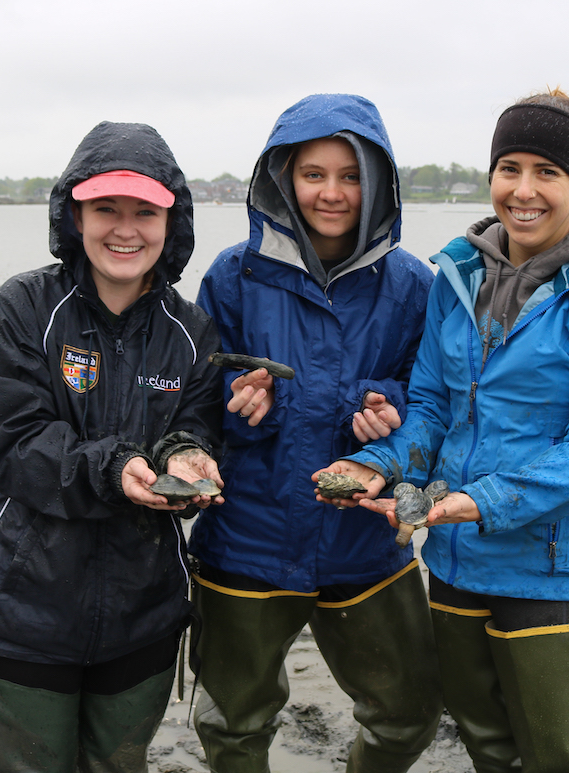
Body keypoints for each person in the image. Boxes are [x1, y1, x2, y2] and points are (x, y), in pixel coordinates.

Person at [323, 88, 569, 773]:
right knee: (487, 743)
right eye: (510, 167)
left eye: (548, 172)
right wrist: (378, 464)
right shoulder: (455, 276)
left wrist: (482, 501)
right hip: (454, 562)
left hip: (551, 570)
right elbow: (429, 408)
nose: (525, 190)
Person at [0, 121, 224, 772]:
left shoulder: (193, 331)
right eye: (106, 209)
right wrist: (117, 466)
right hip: (17, 610)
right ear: (75, 215)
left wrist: (189, 457)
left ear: (171, 221)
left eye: (144, 211)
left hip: (141, 618)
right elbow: (13, 439)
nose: (125, 229)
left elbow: (198, 422)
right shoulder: (22, 310)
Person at [188, 93, 441, 773]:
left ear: (380, 182)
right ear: (282, 178)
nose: (332, 192)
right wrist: (238, 404)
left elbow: (438, 411)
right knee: (233, 722)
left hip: (366, 545)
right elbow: (191, 406)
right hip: (247, 540)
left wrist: (394, 428)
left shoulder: (416, 286)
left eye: (351, 175)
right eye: (313, 174)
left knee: (410, 711)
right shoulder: (230, 277)